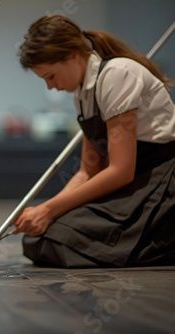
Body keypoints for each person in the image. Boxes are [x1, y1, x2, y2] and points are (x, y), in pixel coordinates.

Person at [14, 14, 175, 267]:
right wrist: (46, 210)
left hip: (160, 181)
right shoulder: (82, 93)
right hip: (131, 182)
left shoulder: (117, 75)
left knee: (59, 240)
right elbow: (87, 172)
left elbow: (121, 171)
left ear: (71, 56)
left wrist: (50, 210)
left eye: (51, 76)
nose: (50, 87)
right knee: (41, 237)